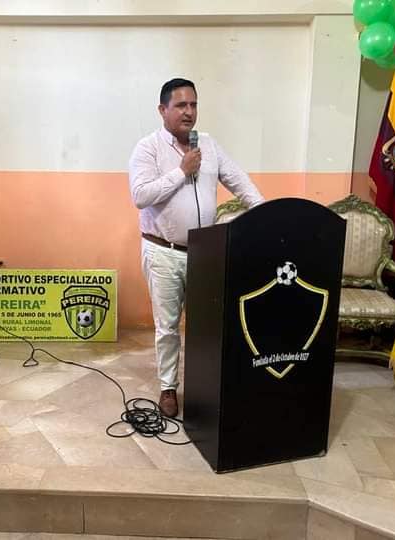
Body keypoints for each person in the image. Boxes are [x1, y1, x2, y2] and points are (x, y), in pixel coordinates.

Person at [128, 78, 264, 418]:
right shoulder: (148, 148)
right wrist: (181, 171)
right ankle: (168, 387)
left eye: (193, 105)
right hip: (162, 250)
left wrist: (266, 212)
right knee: (168, 326)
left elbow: (239, 181)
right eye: (180, 105)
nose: (188, 112)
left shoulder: (208, 145)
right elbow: (140, 195)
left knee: (206, 325)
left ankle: (206, 386)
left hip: (205, 253)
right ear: (163, 110)